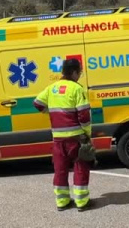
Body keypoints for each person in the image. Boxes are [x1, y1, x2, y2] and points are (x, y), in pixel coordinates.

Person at [33, 58, 94, 212]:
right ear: (73, 72)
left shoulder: (52, 88)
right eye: (79, 72)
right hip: (76, 137)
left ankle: (62, 202)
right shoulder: (77, 89)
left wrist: (52, 113)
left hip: (58, 139)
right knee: (80, 167)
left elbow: (37, 103)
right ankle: (81, 202)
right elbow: (84, 115)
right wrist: (87, 133)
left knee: (60, 169)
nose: (79, 75)